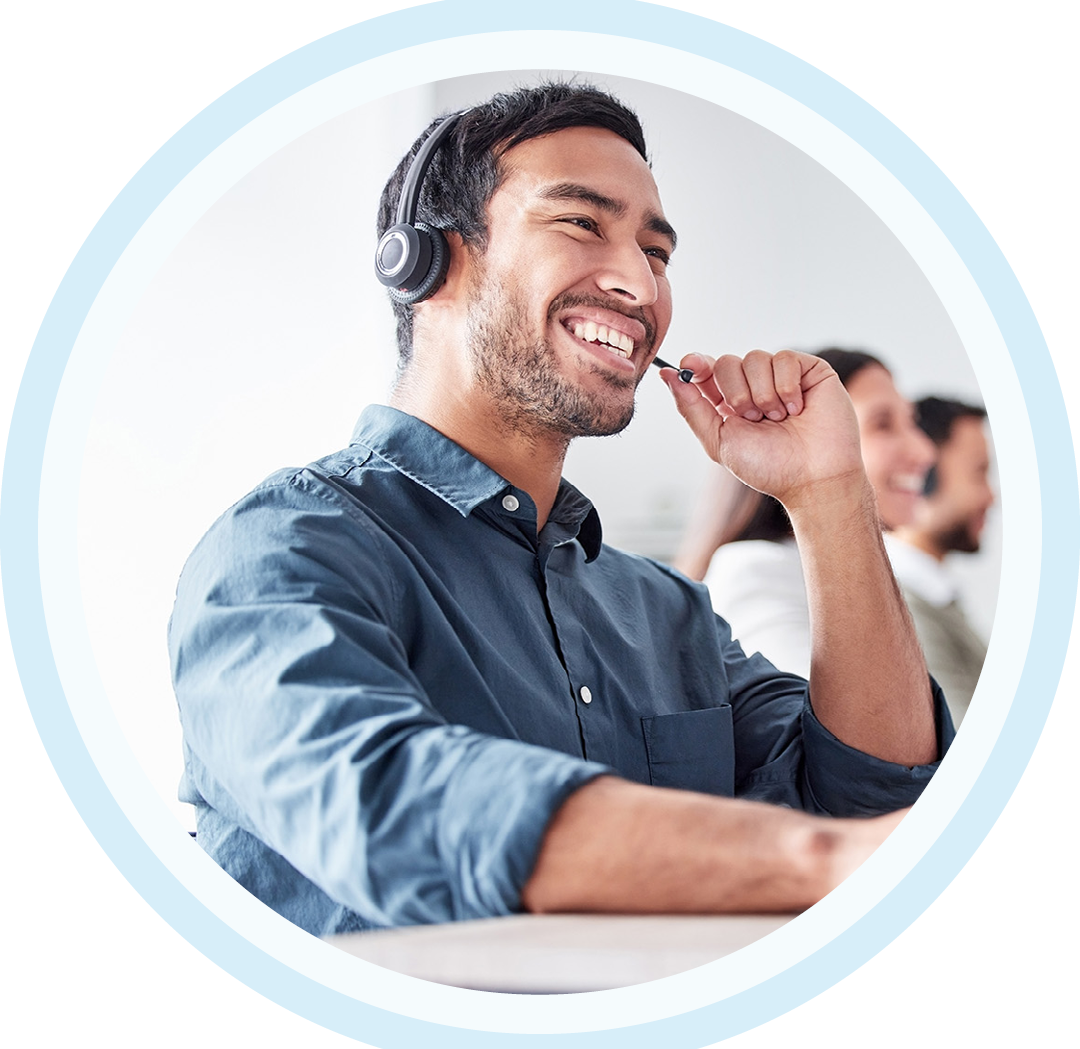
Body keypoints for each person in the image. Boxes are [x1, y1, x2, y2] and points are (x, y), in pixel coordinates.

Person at [168, 84, 951, 937]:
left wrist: (830, 491)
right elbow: (388, 804)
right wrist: (821, 860)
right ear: (427, 261)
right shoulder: (283, 548)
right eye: (582, 223)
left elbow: (874, 795)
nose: (639, 284)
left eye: (657, 252)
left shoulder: (667, 613)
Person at [686, 349, 937, 680]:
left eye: (911, 422)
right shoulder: (756, 571)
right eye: (883, 425)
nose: (924, 451)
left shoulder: (877, 576)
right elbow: (851, 726)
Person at [886, 397, 994, 726]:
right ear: (924, 477)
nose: (991, 496)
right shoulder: (904, 610)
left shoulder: (936, 597)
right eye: (979, 474)